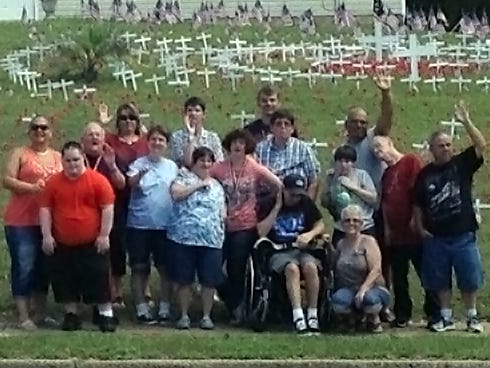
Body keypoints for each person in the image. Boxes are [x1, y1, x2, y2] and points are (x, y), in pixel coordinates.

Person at [413, 101, 486, 333]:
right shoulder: (425, 174)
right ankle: (445, 317)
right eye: (441, 145)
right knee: (440, 280)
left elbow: (481, 145)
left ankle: (472, 317)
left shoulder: (462, 164)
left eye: (448, 145)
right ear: (431, 148)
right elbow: (417, 203)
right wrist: (419, 226)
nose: (446, 149)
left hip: (463, 234)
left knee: (469, 278)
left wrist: (466, 121)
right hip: (437, 237)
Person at [39, 141, 117, 332]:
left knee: (99, 278)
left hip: (92, 241)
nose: (73, 164)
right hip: (63, 242)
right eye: (68, 160)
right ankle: (71, 315)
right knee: (65, 280)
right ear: (62, 161)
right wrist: (47, 235)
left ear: (82, 158)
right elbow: (45, 209)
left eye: (76, 159)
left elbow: (107, 208)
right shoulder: (53, 183)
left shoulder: (98, 180)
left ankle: (105, 314)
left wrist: (104, 234)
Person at [210, 129, 282, 325]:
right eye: (234, 142)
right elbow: (202, 178)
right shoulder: (219, 168)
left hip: (246, 226)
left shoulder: (254, 167)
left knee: (236, 268)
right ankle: (234, 304)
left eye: (242, 143)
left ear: (247, 147)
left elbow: (278, 185)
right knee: (212, 267)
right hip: (221, 224)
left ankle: (239, 309)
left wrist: (272, 204)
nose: (238, 146)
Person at [371, 135, 440, 328]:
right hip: (396, 235)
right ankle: (402, 313)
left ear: (391, 143)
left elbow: (419, 193)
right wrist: (387, 228)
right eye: (374, 150)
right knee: (399, 277)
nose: (378, 151)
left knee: (425, 273)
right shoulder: (386, 175)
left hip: (414, 231)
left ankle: (434, 313)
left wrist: (415, 219)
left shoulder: (410, 161)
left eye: (379, 146)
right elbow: (384, 203)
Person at [341, 75, 394, 320]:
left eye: (363, 122)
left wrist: (385, 93)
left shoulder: (373, 139)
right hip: (348, 217)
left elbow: (386, 120)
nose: (360, 126)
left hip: (374, 212)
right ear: (347, 124)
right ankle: (350, 305)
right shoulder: (342, 151)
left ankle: (383, 305)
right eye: (355, 122)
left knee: (380, 259)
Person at [3, 116, 62, 330]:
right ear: (29, 132)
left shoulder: (57, 156)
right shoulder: (20, 154)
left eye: (44, 127)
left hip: (48, 222)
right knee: (24, 266)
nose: (40, 131)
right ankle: (23, 315)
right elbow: (7, 180)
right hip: (21, 221)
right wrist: (31, 188)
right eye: (35, 127)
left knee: (43, 268)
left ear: (50, 132)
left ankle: (41, 313)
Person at [256, 174, 326, 334]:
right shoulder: (269, 203)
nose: (296, 198)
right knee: (292, 269)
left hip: (301, 249)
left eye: (298, 194)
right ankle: (298, 315)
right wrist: (277, 207)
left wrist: (310, 235)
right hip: (278, 250)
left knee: (310, 267)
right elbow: (261, 232)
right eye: (292, 194)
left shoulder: (305, 202)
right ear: (283, 191)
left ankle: (313, 314)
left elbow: (319, 223)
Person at [167, 147, 226, 330]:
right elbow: (176, 194)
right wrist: (197, 186)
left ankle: (206, 316)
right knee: (184, 279)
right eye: (202, 160)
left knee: (209, 281)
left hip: (211, 240)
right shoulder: (181, 179)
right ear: (194, 162)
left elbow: (222, 208)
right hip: (184, 239)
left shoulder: (217, 185)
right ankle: (184, 315)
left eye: (209, 160)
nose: (206, 164)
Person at [98, 102, 150, 308]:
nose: (128, 122)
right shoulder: (110, 141)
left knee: (142, 247)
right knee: (117, 245)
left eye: (132, 118)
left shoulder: (145, 142)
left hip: (141, 199)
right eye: (124, 118)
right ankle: (116, 290)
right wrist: (103, 122)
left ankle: (145, 289)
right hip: (117, 199)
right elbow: (94, 137)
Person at [126, 125, 178, 325]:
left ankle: (164, 308)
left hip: (165, 226)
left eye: (161, 140)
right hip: (139, 226)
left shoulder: (172, 167)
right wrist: (140, 175)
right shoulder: (138, 164)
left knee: (165, 269)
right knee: (139, 268)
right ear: (148, 142)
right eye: (154, 139)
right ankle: (141, 309)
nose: (157, 143)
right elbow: (130, 183)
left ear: (166, 145)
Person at [331, 205, 391, 333]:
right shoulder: (340, 244)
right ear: (341, 224)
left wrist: (363, 290)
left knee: (370, 301)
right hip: (348, 288)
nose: (351, 223)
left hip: (372, 288)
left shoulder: (368, 241)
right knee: (338, 302)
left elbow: (376, 269)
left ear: (362, 224)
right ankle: (352, 319)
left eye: (355, 220)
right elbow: (333, 266)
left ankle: (374, 319)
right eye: (347, 220)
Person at [255, 108, 321, 200]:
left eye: (286, 124)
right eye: (278, 124)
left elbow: (314, 179)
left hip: (296, 198)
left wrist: (308, 206)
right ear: (271, 128)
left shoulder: (303, 148)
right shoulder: (260, 149)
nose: (283, 127)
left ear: (292, 129)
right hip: (268, 197)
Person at [321, 145, 377, 247]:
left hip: (363, 227)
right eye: (339, 161)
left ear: (353, 163)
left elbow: (373, 199)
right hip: (341, 228)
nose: (343, 165)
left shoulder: (362, 175)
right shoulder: (331, 178)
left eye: (347, 161)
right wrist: (333, 181)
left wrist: (353, 187)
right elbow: (324, 202)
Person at [170, 96, 224, 168]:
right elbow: (184, 162)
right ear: (185, 114)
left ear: (204, 115)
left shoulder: (213, 137)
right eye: (190, 110)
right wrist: (192, 136)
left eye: (197, 110)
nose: (193, 113)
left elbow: (218, 161)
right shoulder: (176, 137)